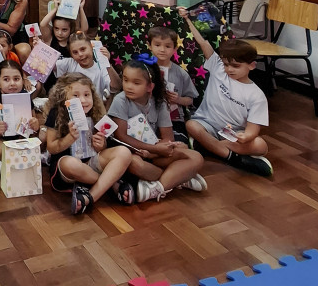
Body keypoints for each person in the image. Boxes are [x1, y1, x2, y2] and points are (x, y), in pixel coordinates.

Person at [181, 7, 273, 177]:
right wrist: (187, 19)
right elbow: (203, 43)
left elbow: (253, 128)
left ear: (252, 65)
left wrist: (246, 137)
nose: (229, 69)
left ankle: (208, 147)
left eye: (236, 66)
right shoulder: (218, 68)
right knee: (191, 125)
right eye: (226, 64)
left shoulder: (257, 95)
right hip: (206, 125)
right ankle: (232, 158)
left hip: (232, 134)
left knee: (261, 145)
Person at [109, 57, 206, 201]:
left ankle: (157, 188)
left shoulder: (159, 102)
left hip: (153, 155)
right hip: (134, 154)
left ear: (150, 87)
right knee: (134, 164)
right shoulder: (120, 100)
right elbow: (121, 136)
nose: (128, 86)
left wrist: (154, 152)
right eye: (125, 80)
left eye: (136, 83)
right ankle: (179, 177)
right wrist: (153, 149)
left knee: (195, 156)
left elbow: (168, 138)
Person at [44, 74, 134, 214]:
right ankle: (111, 183)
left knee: (124, 152)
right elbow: (51, 148)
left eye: (87, 95)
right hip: (69, 167)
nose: (83, 100)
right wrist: (69, 138)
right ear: (64, 97)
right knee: (71, 163)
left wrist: (101, 145)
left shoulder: (95, 113)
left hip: (91, 163)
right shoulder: (56, 113)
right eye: (75, 95)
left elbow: (102, 148)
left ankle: (89, 197)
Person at [0, 59, 40, 175]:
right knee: (2, 149)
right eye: (6, 79)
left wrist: (35, 124)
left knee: (43, 136)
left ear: (22, 80)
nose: (12, 83)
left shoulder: (25, 96)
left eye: (16, 79)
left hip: (18, 136)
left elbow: (33, 126)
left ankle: (10, 159)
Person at [147, 24, 198, 144]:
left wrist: (178, 99)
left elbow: (190, 99)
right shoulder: (143, 69)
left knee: (178, 146)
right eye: (157, 45)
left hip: (174, 120)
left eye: (167, 46)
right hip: (147, 118)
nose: (162, 50)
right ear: (149, 46)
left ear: (175, 49)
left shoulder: (180, 73)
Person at [54, 32, 121, 99]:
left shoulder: (101, 68)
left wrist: (107, 63)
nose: (80, 54)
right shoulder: (70, 63)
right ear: (71, 55)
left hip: (94, 105)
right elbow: (50, 64)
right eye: (75, 52)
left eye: (83, 49)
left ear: (91, 47)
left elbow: (116, 87)